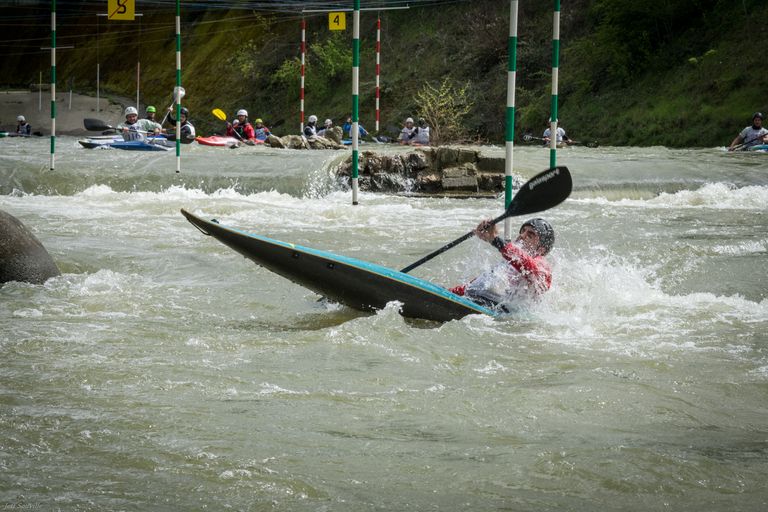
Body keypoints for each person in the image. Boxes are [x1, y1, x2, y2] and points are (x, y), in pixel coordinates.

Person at [449, 218, 554, 311]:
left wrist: (495, 240)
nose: (522, 236)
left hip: (512, 319)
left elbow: (529, 267)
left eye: (530, 235)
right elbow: (477, 285)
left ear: (541, 249)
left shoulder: (542, 265)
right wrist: (450, 293)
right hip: (491, 304)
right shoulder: (510, 263)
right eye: (522, 231)